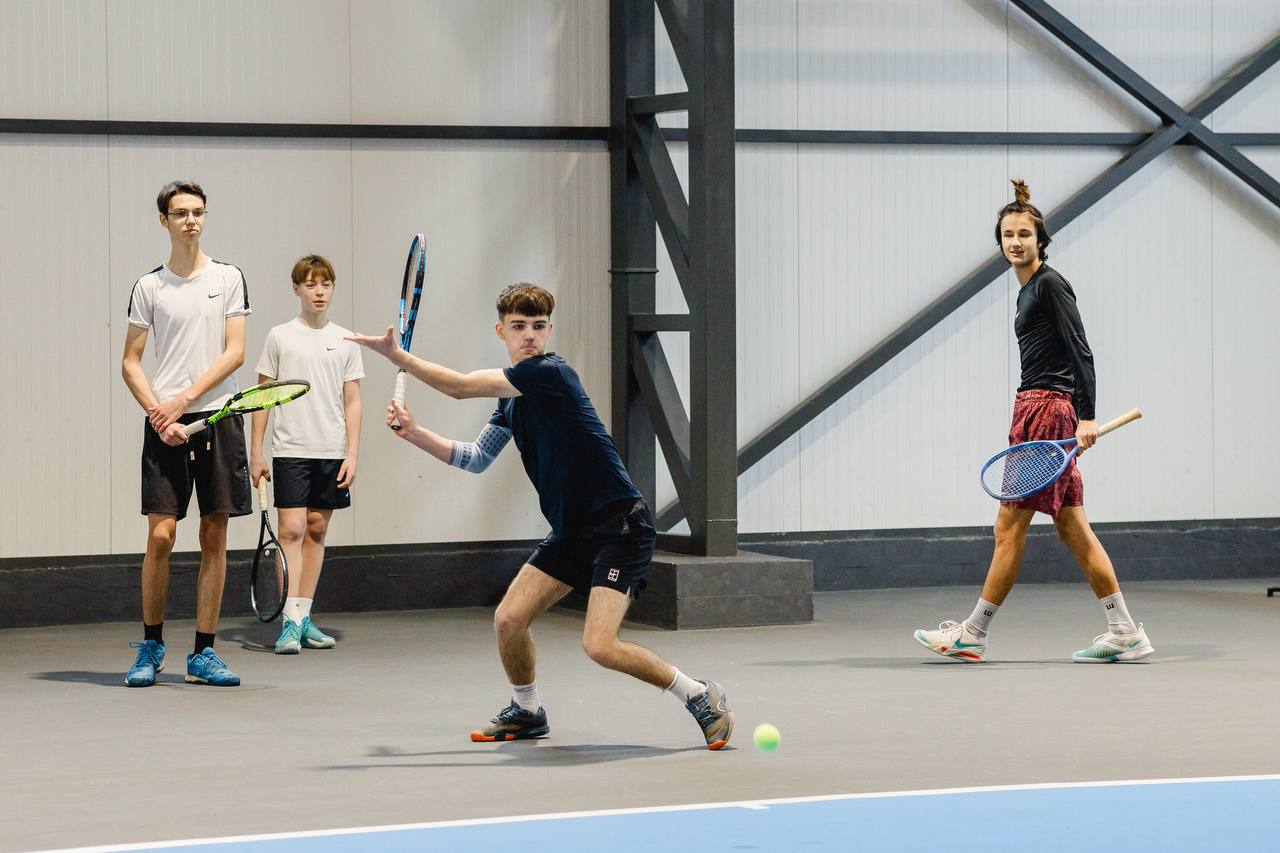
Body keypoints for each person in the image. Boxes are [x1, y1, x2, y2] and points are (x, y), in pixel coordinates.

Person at [347, 283, 735, 748]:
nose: (529, 334)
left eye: (537, 326)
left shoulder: (551, 373)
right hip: (571, 532)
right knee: (509, 619)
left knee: (599, 646)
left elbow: (459, 387)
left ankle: (699, 694)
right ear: (501, 331)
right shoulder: (510, 400)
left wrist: (398, 357)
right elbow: (475, 458)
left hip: (619, 527)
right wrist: (414, 433)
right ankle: (527, 710)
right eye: (518, 326)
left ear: (549, 329)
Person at [913, 180, 1155, 664]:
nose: (1016, 241)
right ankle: (1124, 631)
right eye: (1008, 235)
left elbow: (1080, 349)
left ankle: (973, 633)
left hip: (1046, 412)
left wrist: (1086, 415)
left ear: (1040, 240)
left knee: (1008, 527)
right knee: (1073, 528)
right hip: (1036, 409)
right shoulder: (1027, 290)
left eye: (1024, 234)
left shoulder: (1049, 285)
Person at [120, 180, 251, 687]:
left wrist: (185, 401)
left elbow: (234, 352)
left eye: (197, 212)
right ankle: (151, 646)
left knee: (214, 534)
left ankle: (203, 653)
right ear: (164, 220)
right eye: (180, 213)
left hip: (217, 418)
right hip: (165, 426)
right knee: (161, 536)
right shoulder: (149, 286)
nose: (191, 220)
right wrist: (161, 413)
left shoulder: (229, 277)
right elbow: (130, 362)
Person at [249, 255, 363, 654]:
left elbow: (352, 401)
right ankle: (289, 622)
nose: (319, 292)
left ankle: (304, 616)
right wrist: (256, 451)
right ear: (296, 289)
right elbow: (262, 396)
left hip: (331, 451)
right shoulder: (280, 337)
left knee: (316, 530)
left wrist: (352, 453)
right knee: (292, 531)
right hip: (290, 451)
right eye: (311, 284)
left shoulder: (346, 340)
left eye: (325, 284)